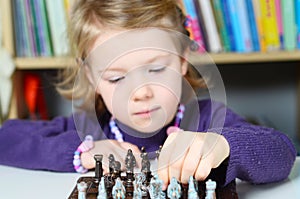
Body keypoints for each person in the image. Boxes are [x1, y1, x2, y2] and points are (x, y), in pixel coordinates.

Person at [0, 0, 296, 191]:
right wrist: (81, 152)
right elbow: (6, 138)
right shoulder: (91, 127)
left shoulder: (207, 119)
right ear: (90, 76)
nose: (140, 92)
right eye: (116, 77)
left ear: (182, 60)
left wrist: (222, 145)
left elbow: (283, 152)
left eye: (155, 69)